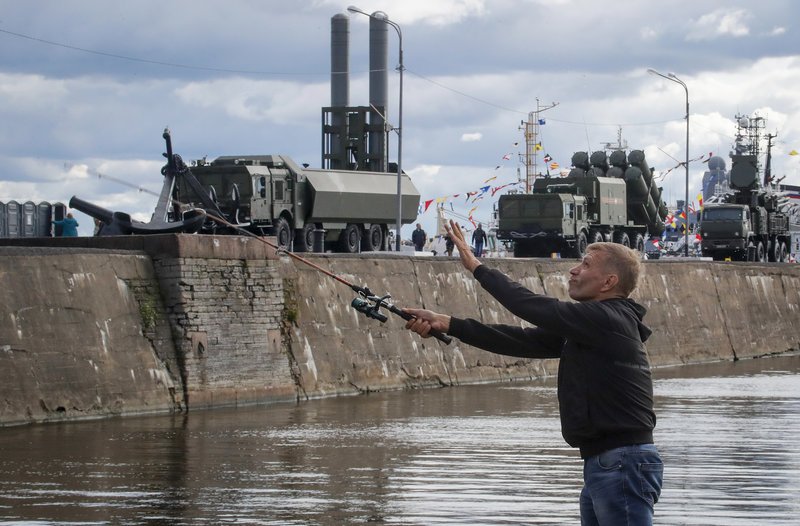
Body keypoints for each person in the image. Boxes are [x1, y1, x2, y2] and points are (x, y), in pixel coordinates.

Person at [404, 219, 663, 525]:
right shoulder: (593, 326)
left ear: (608, 282)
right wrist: (448, 323)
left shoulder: (606, 319)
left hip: (622, 463)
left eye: (585, 264)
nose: (573, 270)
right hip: (607, 462)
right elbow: (520, 340)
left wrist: (476, 267)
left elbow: (532, 305)